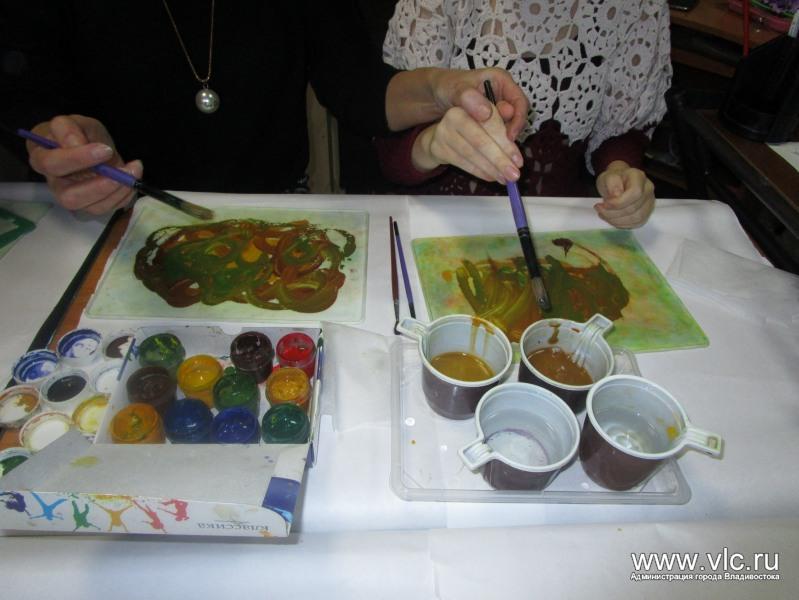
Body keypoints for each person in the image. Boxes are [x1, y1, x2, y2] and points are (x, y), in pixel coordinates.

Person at [0, 0, 527, 215]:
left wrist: (442, 87)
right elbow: (25, 86)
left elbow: (360, 88)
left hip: (273, 206)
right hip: (115, 211)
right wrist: (61, 140)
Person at [379, 0, 673, 229]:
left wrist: (619, 170)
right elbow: (385, 147)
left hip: (558, 225)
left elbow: (620, 130)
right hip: (434, 219)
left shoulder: (635, 8)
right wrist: (429, 144)